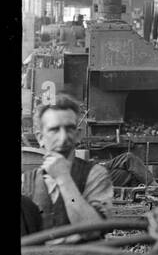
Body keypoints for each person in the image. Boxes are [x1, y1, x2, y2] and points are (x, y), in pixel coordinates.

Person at [21, 93, 112, 234]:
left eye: (69, 129)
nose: (63, 138)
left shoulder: (95, 174)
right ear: (40, 138)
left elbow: (92, 232)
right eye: (54, 130)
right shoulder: (25, 182)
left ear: (77, 135)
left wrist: (64, 178)